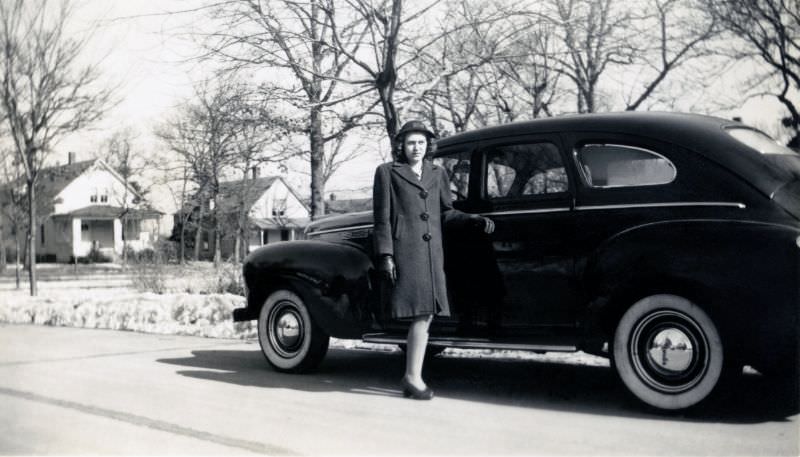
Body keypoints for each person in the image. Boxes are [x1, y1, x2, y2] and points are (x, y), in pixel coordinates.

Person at [372, 120, 495, 400]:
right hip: (406, 251)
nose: (416, 148)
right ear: (401, 145)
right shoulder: (387, 172)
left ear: (429, 146)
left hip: (432, 254)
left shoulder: (437, 173)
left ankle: (412, 376)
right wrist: (386, 255)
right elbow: (381, 219)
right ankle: (412, 377)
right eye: (411, 142)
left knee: (426, 314)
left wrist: (471, 219)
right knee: (422, 314)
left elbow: (446, 212)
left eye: (422, 142)